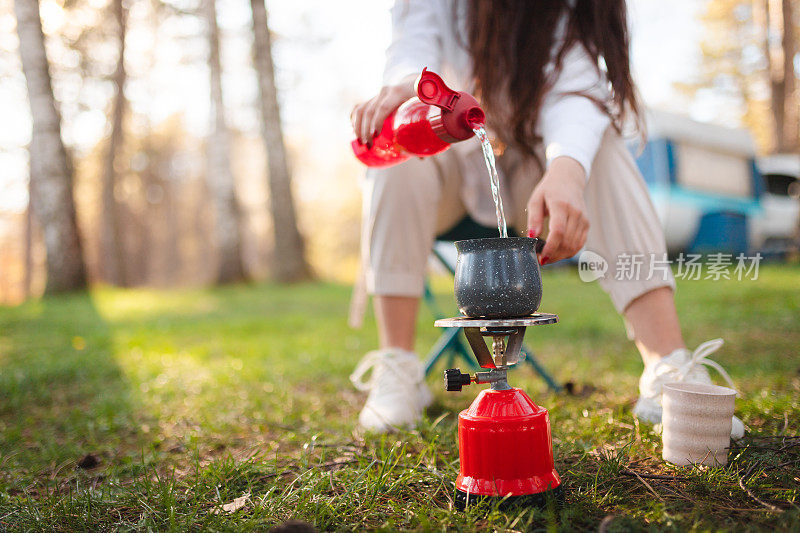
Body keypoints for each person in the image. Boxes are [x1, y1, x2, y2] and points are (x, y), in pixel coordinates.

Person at [349, 0, 744, 437]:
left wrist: (568, 172)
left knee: (602, 148)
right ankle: (398, 368)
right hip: (447, 167)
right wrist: (406, 85)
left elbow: (576, 90)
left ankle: (668, 365)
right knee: (398, 153)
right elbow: (413, 38)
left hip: (532, 181)